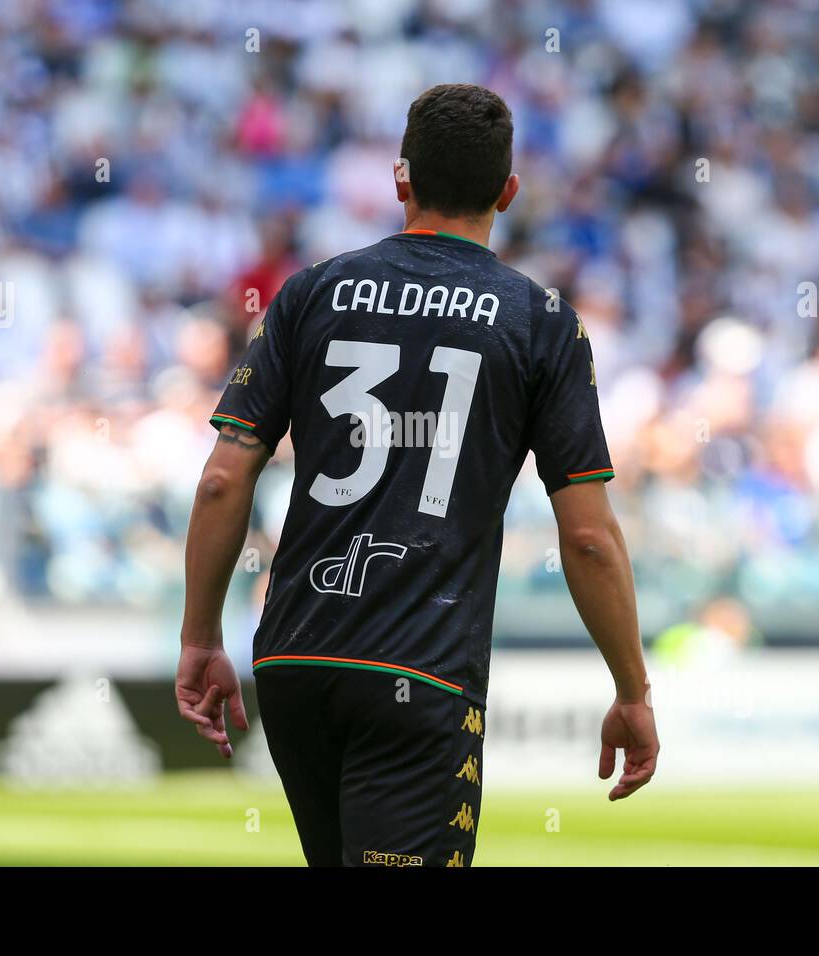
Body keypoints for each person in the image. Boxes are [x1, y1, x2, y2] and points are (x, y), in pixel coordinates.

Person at [176, 84, 657, 867]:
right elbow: (591, 537)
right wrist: (633, 690)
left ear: (402, 179)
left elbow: (221, 482)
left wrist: (200, 636)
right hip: (419, 672)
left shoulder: (310, 292)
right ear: (508, 192)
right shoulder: (539, 321)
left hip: (294, 659)